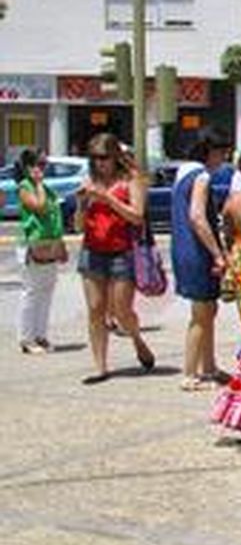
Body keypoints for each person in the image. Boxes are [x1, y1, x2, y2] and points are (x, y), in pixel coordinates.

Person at [76, 133, 154, 384]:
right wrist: (81, 205)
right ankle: (100, 366)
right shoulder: (90, 181)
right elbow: (78, 226)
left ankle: (137, 340)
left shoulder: (130, 180)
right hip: (92, 250)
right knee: (95, 309)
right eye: (95, 158)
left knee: (122, 310)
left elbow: (137, 216)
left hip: (122, 251)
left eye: (104, 157)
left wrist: (107, 198)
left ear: (115, 157)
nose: (100, 163)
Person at [171, 128, 236, 391]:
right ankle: (190, 373)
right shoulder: (201, 177)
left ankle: (208, 366)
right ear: (210, 152)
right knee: (201, 313)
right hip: (197, 251)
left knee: (208, 309)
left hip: (182, 249)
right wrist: (217, 253)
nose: (223, 159)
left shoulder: (183, 172)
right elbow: (197, 217)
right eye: (221, 153)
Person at [14, 149, 66, 354]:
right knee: (32, 292)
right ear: (29, 168)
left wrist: (60, 245)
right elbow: (40, 207)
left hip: (49, 244)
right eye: (40, 165)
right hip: (33, 245)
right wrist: (37, 183)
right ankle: (26, 338)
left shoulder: (47, 187)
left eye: (45, 165)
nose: (44, 169)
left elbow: (55, 217)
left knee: (46, 292)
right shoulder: (25, 187)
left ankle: (40, 334)